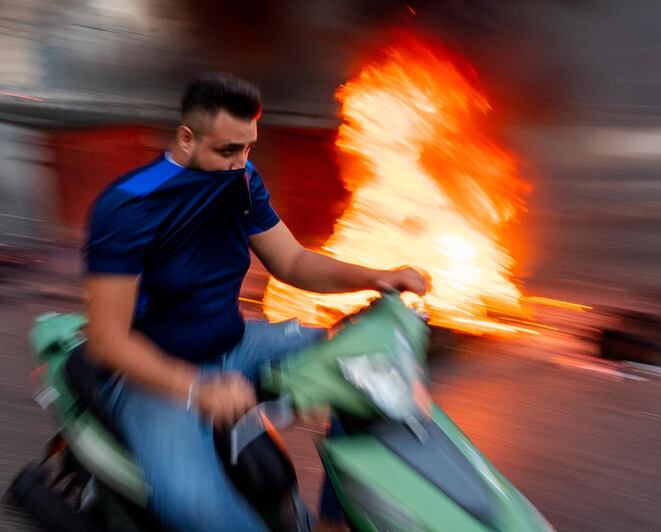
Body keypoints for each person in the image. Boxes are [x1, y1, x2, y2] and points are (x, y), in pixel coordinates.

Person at [83, 72, 428, 531]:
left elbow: (293, 262)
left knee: (369, 372)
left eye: (248, 147)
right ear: (187, 138)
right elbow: (107, 341)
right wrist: (196, 387)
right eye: (228, 149)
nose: (240, 162)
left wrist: (376, 276)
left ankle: (333, 523)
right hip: (157, 376)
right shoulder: (128, 207)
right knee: (194, 508)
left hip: (238, 346)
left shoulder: (242, 180)